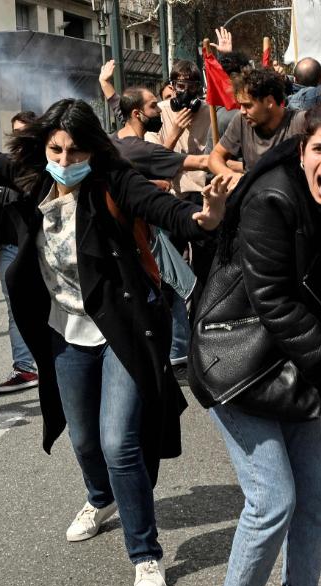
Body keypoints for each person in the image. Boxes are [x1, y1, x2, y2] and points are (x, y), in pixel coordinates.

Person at [0, 99, 229, 586]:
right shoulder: (35, 178)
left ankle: (145, 554)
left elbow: (162, 207)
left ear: (93, 150)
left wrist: (203, 219)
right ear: (44, 147)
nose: (65, 158)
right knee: (82, 440)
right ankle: (99, 499)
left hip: (119, 329)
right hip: (63, 331)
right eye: (56, 148)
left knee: (118, 442)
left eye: (76, 150)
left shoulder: (113, 182)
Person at [191, 95, 321, 586]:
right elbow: (273, 299)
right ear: (301, 152)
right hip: (239, 360)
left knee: (313, 500)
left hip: (296, 362)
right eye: (319, 148)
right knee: (272, 500)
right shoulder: (271, 198)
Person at [111, 86, 210, 384]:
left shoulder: (116, 142)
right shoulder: (137, 148)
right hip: (143, 237)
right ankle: (177, 356)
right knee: (178, 288)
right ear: (137, 113)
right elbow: (198, 162)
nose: (160, 110)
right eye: (154, 106)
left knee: (166, 289)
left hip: (137, 237)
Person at [0, 111, 40, 394]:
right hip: (8, 248)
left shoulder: (39, 167)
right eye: (15, 131)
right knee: (15, 308)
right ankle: (25, 368)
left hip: (35, 248)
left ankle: (58, 360)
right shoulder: (8, 166)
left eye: (25, 131)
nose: (19, 137)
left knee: (49, 303)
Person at [210, 67, 307, 186]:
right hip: (253, 200)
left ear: (269, 101)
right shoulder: (241, 121)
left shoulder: (300, 122)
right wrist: (230, 175)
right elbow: (215, 157)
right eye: (240, 105)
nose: (242, 111)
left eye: (248, 105)